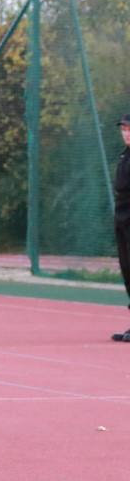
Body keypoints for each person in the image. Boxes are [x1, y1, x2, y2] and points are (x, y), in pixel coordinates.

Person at [111, 113, 130, 342]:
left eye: (129, 129)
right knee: (127, 270)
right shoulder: (125, 154)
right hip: (122, 218)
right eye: (124, 130)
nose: (126, 133)